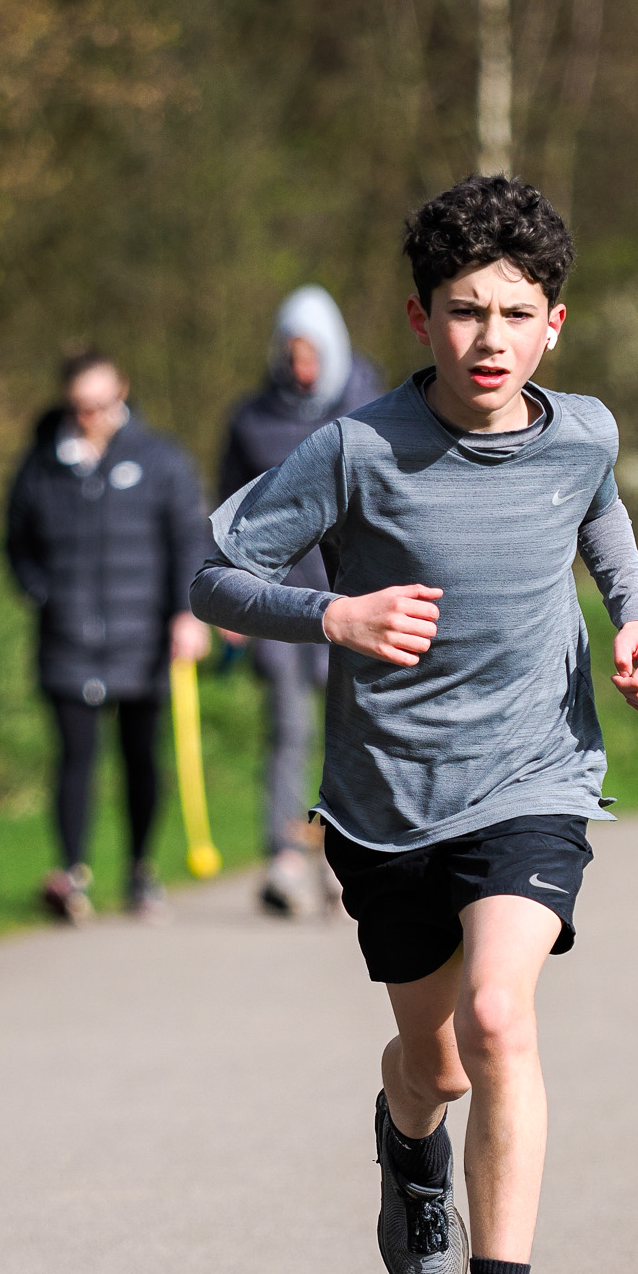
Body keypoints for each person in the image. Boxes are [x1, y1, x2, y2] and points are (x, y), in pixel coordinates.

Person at [191, 175, 638, 1274]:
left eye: (517, 313)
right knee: (441, 1060)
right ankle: (408, 1133)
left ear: (555, 324)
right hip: (388, 803)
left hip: (535, 778)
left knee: (502, 1015)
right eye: (465, 312)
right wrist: (332, 615)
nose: (491, 339)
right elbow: (217, 570)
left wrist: (637, 623)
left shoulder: (585, 432)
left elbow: (601, 517)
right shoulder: (358, 450)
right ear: (418, 318)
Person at [5, 350, 212, 924]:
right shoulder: (42, 462)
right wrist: (39, 590)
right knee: (74, 757)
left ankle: (141, 870)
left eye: (101, 404)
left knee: (139, 758)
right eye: (80, 406)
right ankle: (71, 874)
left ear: (121, 393)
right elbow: (15, 537)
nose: (91, 416)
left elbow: (187, 540)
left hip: (142, 639)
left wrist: (187, 614)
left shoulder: (162, 459)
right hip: (67, 637)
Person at [217, 287, 383, 917]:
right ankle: (283, 856)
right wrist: (228, 597)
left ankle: (348, 852)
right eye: (291, 352)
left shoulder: (373, 408)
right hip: (279, 602)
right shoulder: (250, 418)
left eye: (312, 352)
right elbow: (229, 509)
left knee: (353, 728)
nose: (302, 366)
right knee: (287, 729)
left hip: (357, 596)